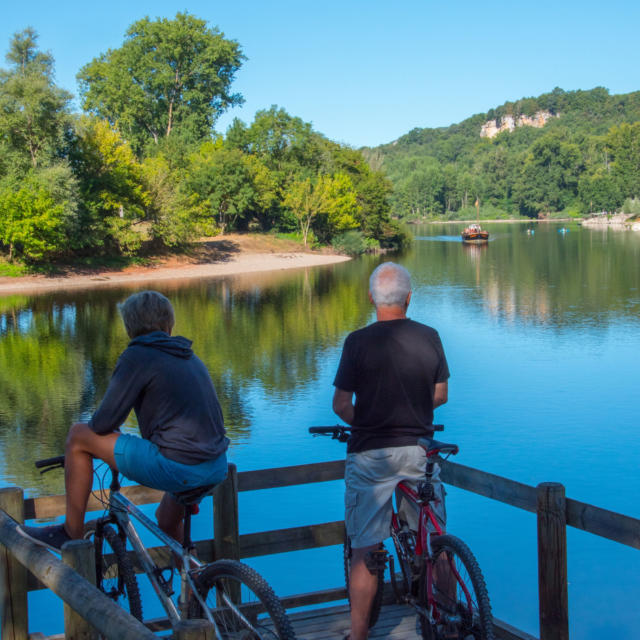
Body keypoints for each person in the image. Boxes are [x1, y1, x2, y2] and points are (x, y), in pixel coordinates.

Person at [21, 290, 229, 551]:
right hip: (214, 465)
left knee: (77, 435)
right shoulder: (187, 355)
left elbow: (101, 424)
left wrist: (99, 439)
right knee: (166, 522)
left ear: (130, 326)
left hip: (178, 466)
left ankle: (70, 532)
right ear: (169, 323)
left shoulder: (139, 355)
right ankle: (197, 583)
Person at [332, 262, 450, 640]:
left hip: (370, 454)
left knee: (366, 546)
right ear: (409, 297)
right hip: (419, 451)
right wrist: (413, 410)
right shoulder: (429, 336)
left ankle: (359, 635)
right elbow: (440, 395)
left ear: (371, 298)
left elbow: (340, 404)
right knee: (435, 540)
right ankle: (447, 621)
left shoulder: (356, 341)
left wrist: (364, 420)